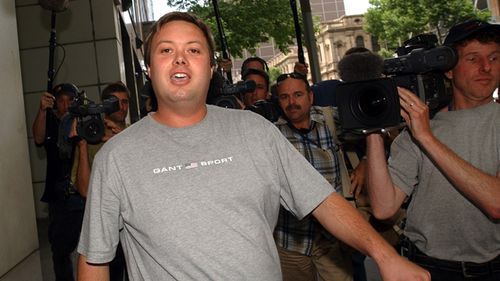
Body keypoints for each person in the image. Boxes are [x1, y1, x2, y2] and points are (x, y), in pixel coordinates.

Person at [77, 11, 429, 281]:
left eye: (193, 50)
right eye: (166, 50)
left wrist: (385, 256)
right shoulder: (117, 157)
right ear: (149, 69)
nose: (180, 59)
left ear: (211, 67)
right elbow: (95, 259)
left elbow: (323, 201)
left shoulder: (255, 131)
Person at [365, 19, 500, 281]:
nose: (486, 67)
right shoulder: (420, 125)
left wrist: (427, 137)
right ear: (448, 69)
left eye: (494, 58)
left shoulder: (423, 130)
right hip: (424, 267)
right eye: (473, 58)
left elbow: (496, 204)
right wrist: (372, 130)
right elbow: (383, 208)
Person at [273, 72, 353, 281]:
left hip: (332, 239)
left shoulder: (330, 120)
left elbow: (372, 128)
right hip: (291, 242)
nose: (292, 102)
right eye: (284, 97)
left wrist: (363, 163)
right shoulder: (270, 135)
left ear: (311, 96)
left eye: (298, 94)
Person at [71, 82, 130, 281]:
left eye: (125, 102)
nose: (121, 107)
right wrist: (82, 145)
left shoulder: (138, 134)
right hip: (106, 227)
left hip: (134, 227)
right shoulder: (92, 136)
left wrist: (123, 141)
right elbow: (85, 190)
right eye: (116, 102)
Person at [32, 83, 83, 281]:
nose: (65, 105)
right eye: (60, 101)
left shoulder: (82, 119)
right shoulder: (50, 121)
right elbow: (37, 137)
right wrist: (42, 110)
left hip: (83, 191)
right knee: (60, 250)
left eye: (70, 100)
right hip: (58, 194)